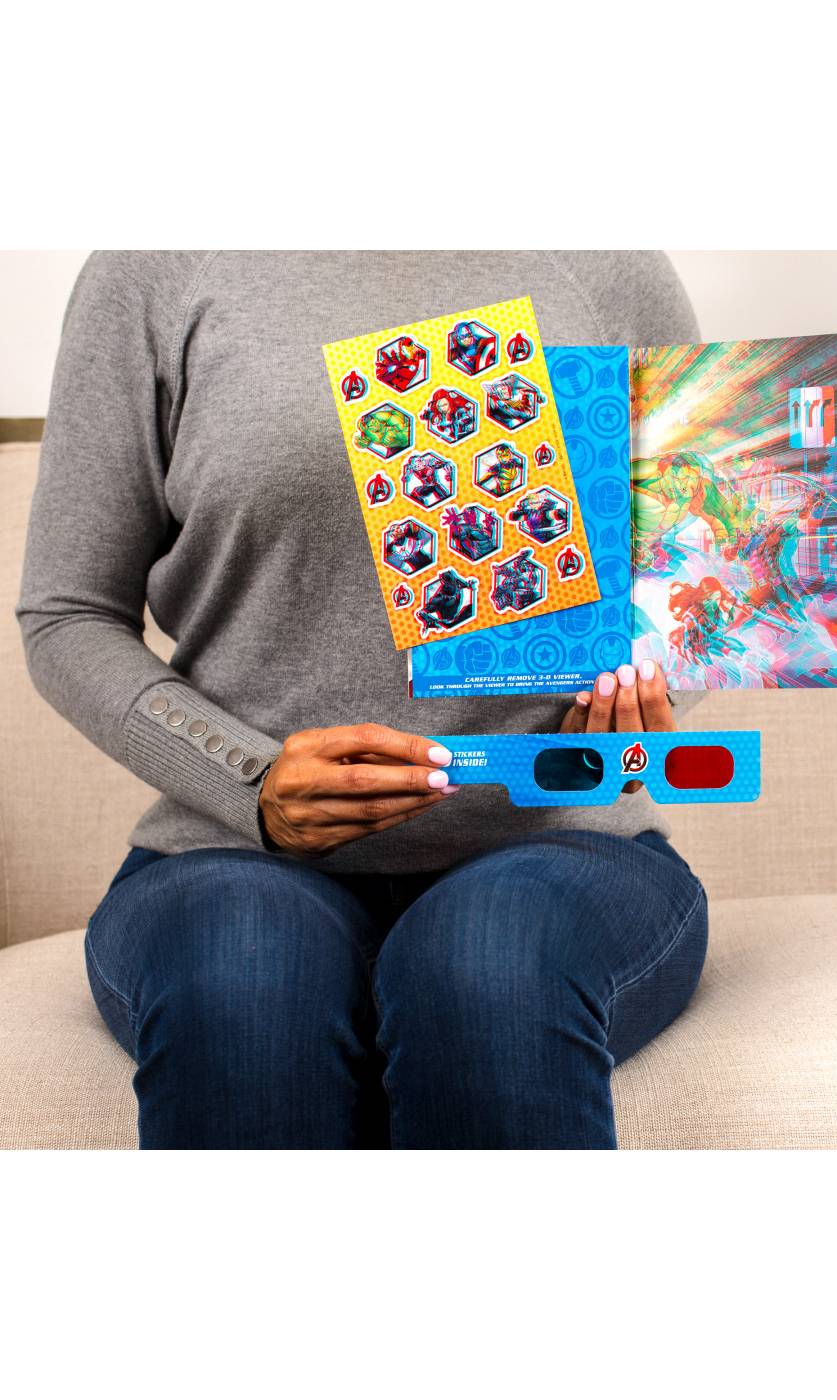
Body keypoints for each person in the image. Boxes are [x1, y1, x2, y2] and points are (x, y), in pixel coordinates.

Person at [17, 251, 708, 1150]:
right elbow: (67, 613)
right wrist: (247, 778)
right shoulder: (154, 268)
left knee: (488, 960)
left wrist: (652, 691)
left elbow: (700, 573)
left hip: (563, 846)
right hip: (229, 855)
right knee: (245, 970)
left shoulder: (604, 259)